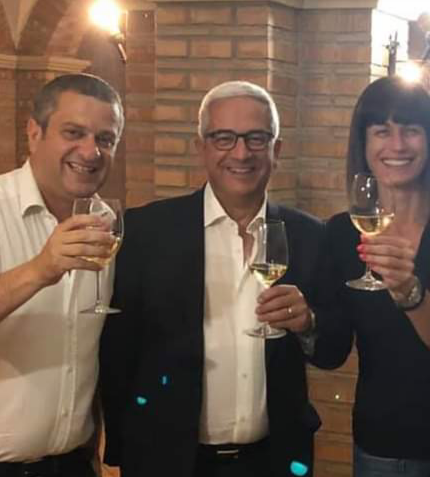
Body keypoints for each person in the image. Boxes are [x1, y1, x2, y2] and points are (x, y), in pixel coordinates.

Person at [99, 81, 323, 477]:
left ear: (277, 150)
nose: (241, 153)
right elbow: (118, 351)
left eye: (256, 138)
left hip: (274, 463)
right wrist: (120, 446)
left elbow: (331, 350)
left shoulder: (309, 236)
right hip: (166, 463)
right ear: (201, 147)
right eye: (224, 138)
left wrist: (308, 325)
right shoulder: (147, 232)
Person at [307, 76, 430, 477]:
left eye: (411, 130)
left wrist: (408, 289)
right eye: (382, 131)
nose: (397, 145)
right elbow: (333, 351)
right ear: (364, 145)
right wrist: (305, 323)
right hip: (385, 442)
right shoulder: (341, 234)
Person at [0, 73, 125, 477]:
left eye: (106, 139)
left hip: (73, 465)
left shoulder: (107, 223)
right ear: (34, 133)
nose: (91, 151)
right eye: (73, 133)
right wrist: (41, 269)